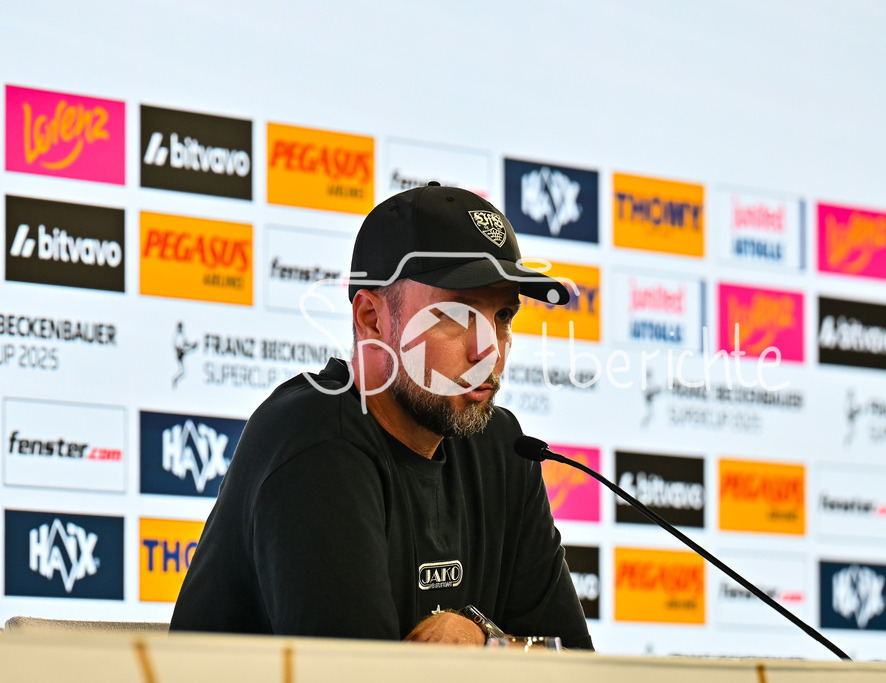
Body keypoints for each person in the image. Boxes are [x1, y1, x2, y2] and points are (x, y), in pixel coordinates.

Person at [170, 183, 593, 650]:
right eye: (458, 315)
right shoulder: (317, 442)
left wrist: (485, 640)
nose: (489, 350)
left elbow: (574, 666)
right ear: (372, 319)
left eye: (503, 316)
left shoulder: (501, 447)